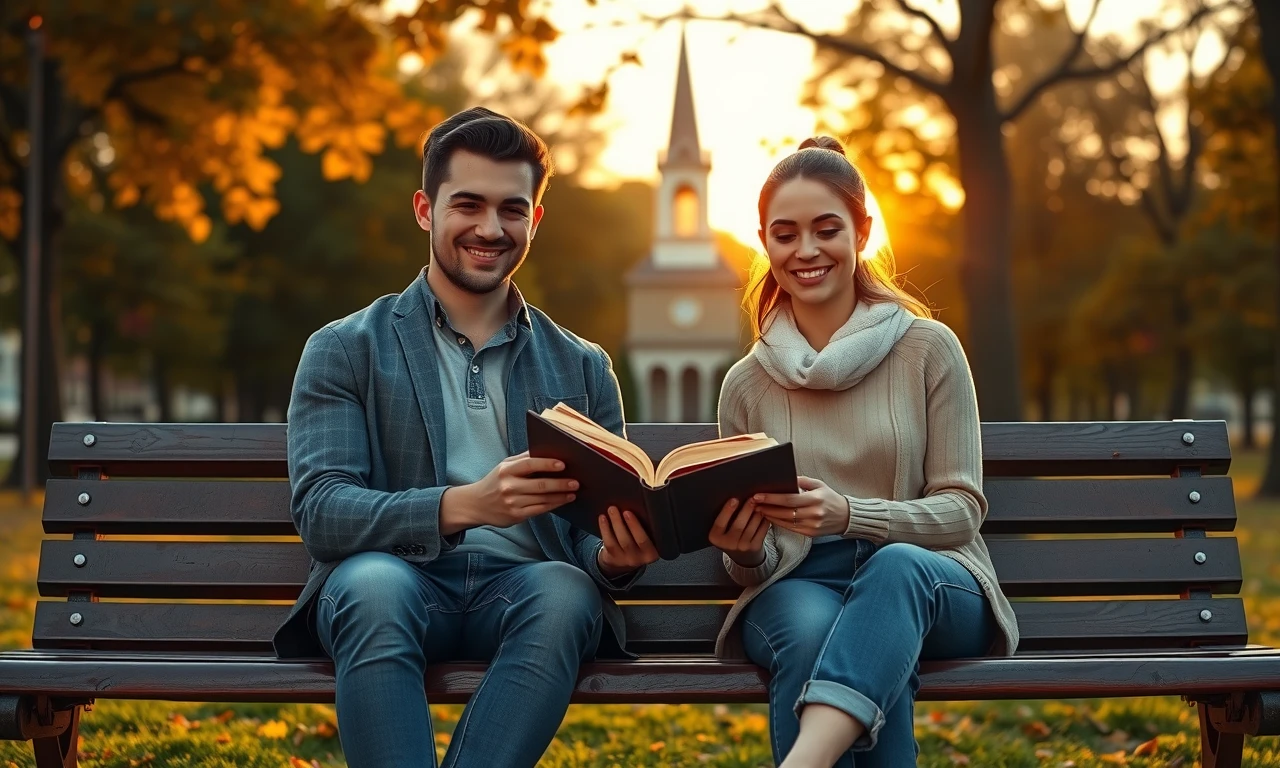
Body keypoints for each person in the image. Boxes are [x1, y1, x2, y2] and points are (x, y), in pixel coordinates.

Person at [272, 106, 660, 768]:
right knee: (371, 588)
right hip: (395, 580)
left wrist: (615, 559)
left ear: (535, 220)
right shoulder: (345, 348)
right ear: (425, 209)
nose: (489, 228)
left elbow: (592, 537)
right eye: (468, 204)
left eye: (512, 209)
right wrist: (466, 505)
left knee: (569, 593)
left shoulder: (582, 365)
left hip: (526, 588)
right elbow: (324, 514)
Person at [707, 136, 1019, 767]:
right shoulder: (746, 383)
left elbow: (962, 510)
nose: (806, 250)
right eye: (785, 234)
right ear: (764, 242)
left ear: (863, 231)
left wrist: (850, 515)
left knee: (893, 573)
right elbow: (751, 567)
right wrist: (742, 548)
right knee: (822, 636)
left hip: (931, 578)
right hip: (800, 581)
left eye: (827, 229)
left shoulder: (928, 349)